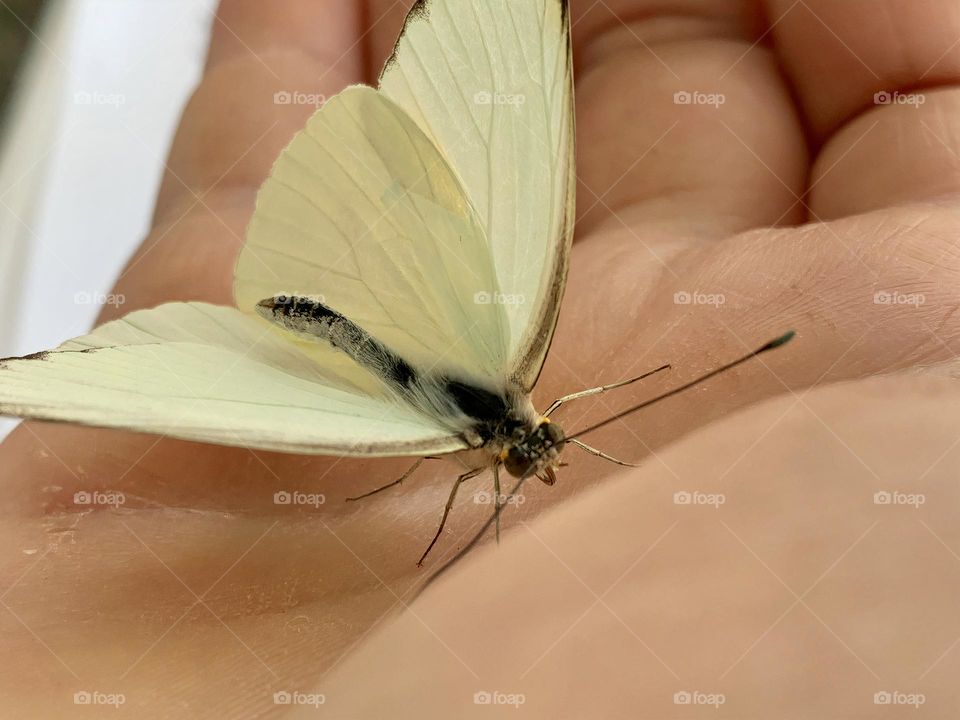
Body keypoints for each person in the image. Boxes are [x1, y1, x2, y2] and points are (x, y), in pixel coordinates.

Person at [2, 0, 959, 716]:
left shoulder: (510, 379)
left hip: (365, 272)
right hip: (365, 285)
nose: (543, 456)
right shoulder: (509, 383)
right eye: (541, 448)